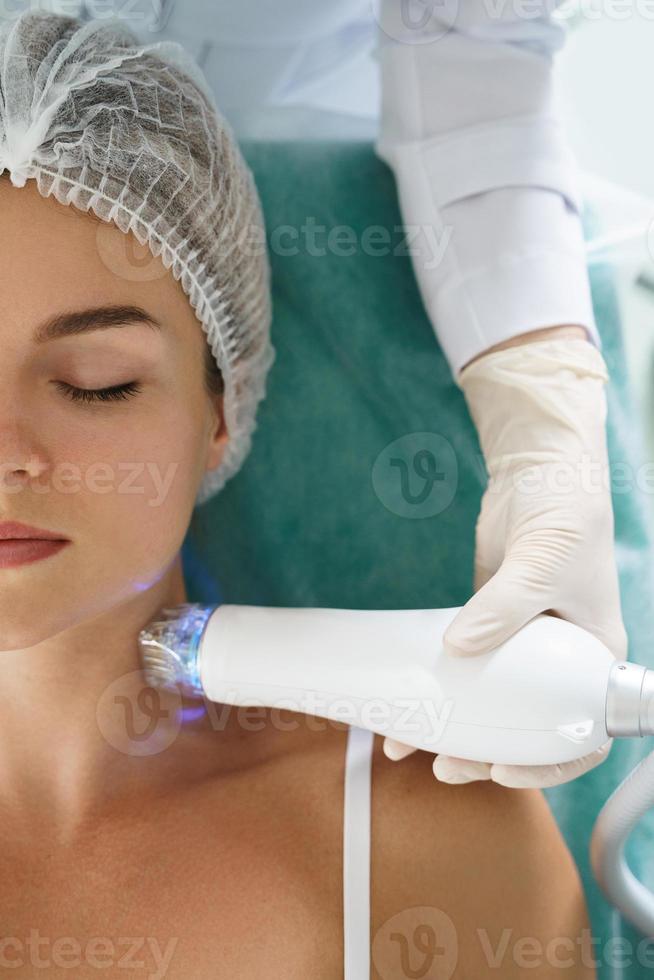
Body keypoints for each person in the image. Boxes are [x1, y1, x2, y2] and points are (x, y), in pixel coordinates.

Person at [0, 10, 599, 977]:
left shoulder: (432, 843)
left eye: (97, 380)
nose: (8, 457)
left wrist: (546, 418)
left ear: (222, 410)